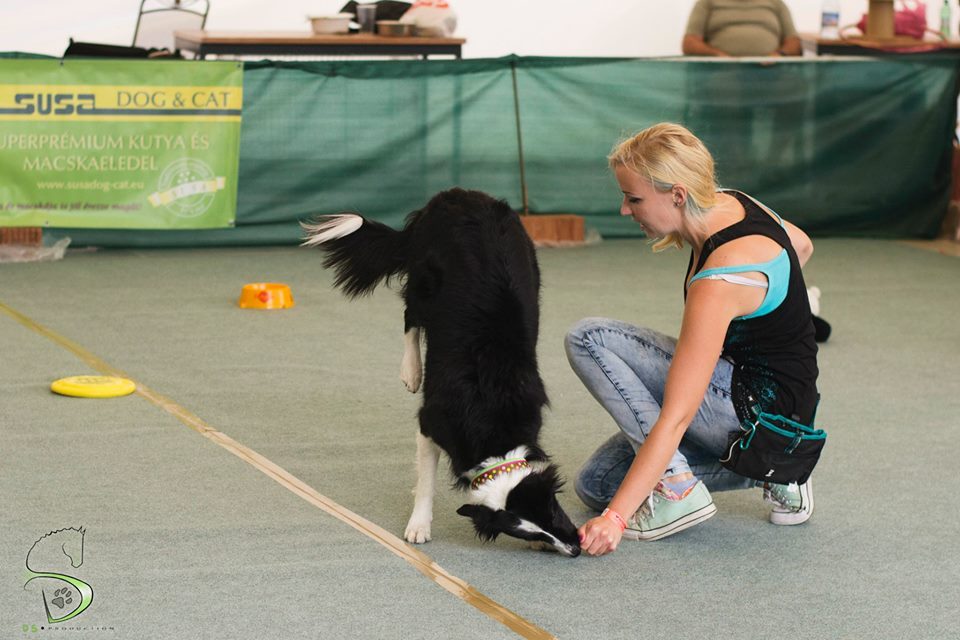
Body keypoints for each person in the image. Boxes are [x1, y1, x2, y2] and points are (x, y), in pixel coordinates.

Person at [567, 123, 820, 556]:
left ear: (678, 195)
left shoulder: (721, 279)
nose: (626, 210)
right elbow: (800, 244)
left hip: (756, 413)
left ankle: (678, 489)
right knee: (597, 484)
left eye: (634, 198)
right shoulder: (736, 202)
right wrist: (766, 314)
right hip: (782, 413)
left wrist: (616, 520)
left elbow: (677, 416)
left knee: (589, 338)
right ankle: (781, 469)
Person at [682, 0, 802, 57]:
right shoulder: (707, 2)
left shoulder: (776, 3)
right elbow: (689, 42)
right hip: (720, 73)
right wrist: (718, 55)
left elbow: (794, 42)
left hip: (771, 73)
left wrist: (779, 54)